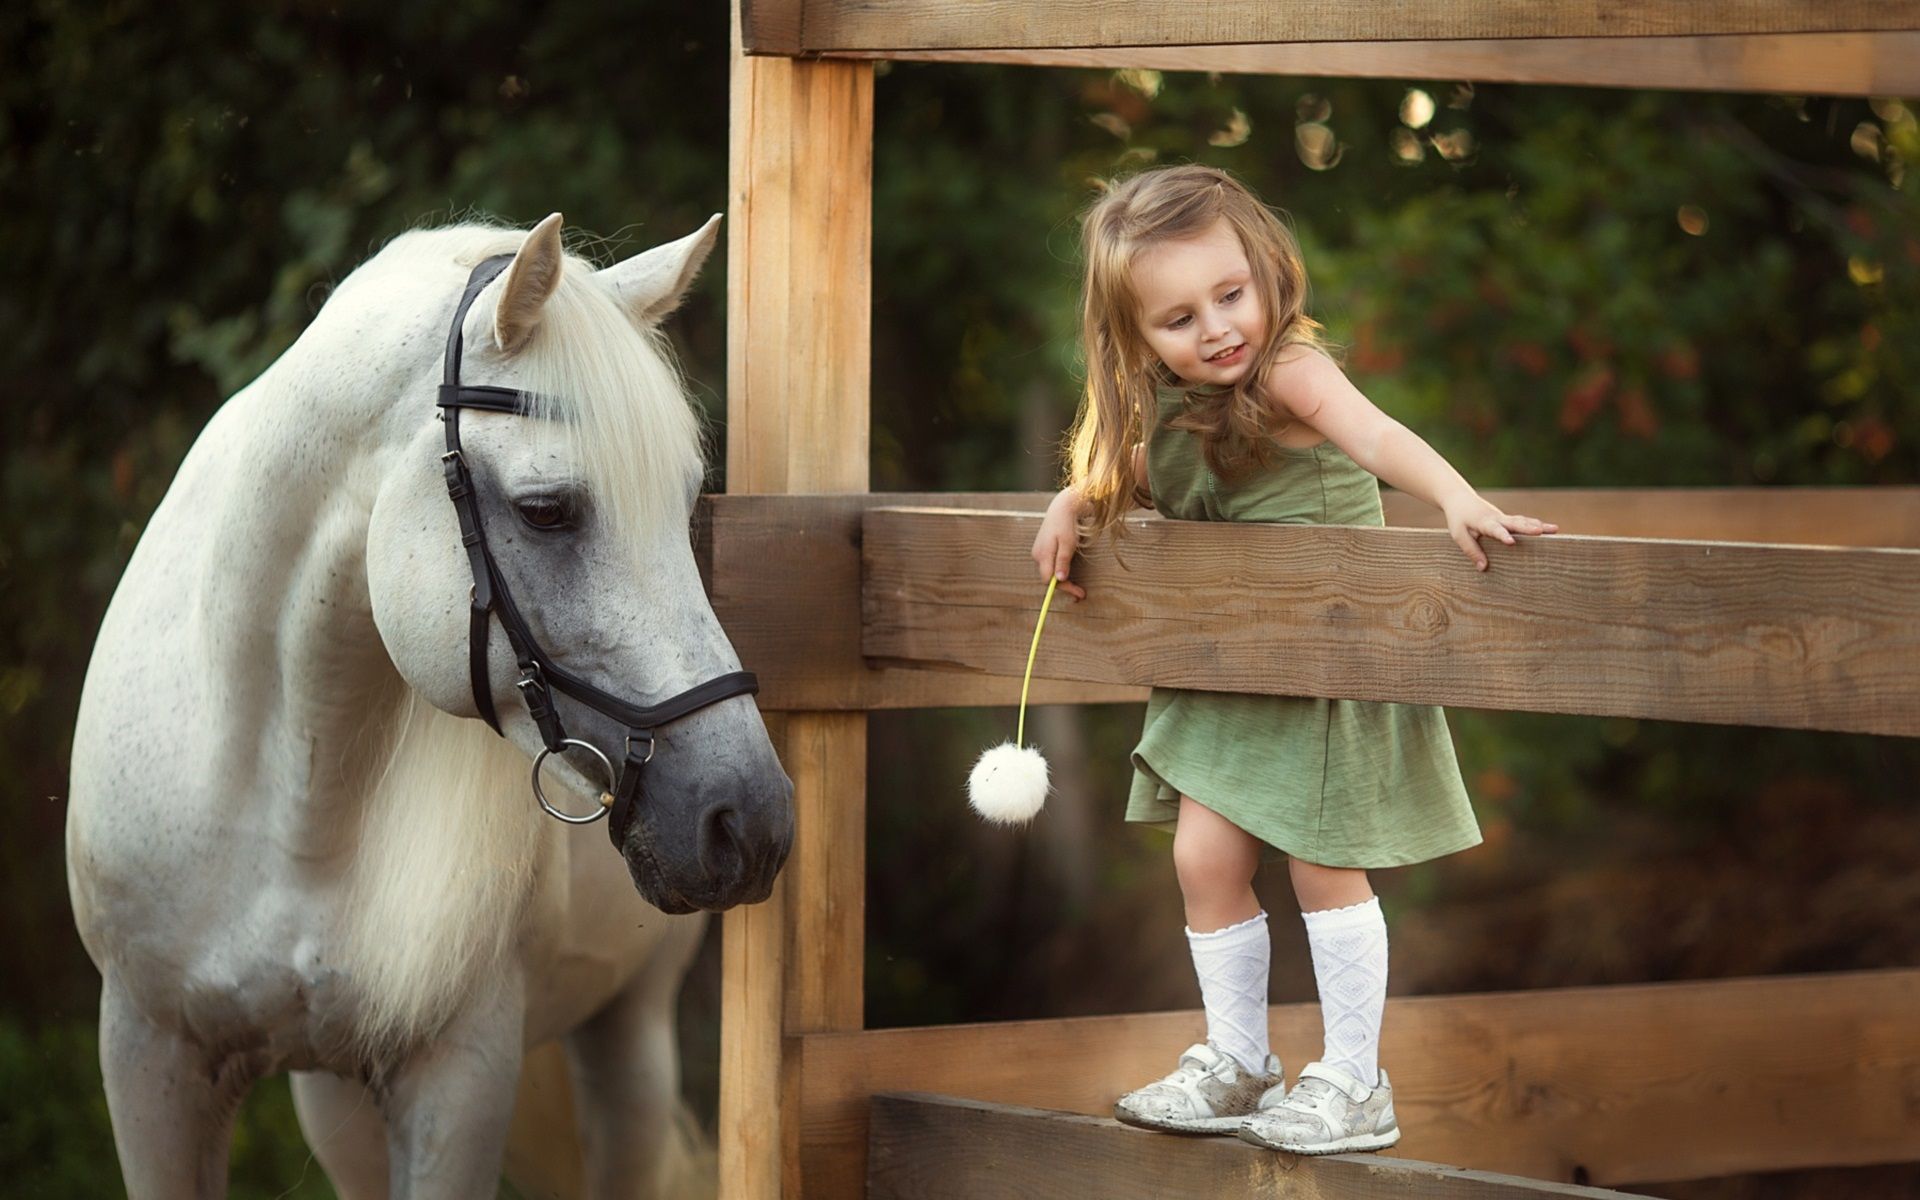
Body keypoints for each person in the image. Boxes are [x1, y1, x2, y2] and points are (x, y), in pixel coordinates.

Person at [1030, 163, 1557, 1155]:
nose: (1218, 327)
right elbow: (1129, 476)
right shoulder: (1174, 411)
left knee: (1323, 867)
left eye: (1231, 294)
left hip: (1324, 662)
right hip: (1231, 673)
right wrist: (1075, 500)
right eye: (1179, 317)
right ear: (1135, 337)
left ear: (1268, 271)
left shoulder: (1287, 373)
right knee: (1202, 859)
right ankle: (1239, 1063)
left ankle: (1356, 1081)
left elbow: (1379, 433)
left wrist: (1454, 498)